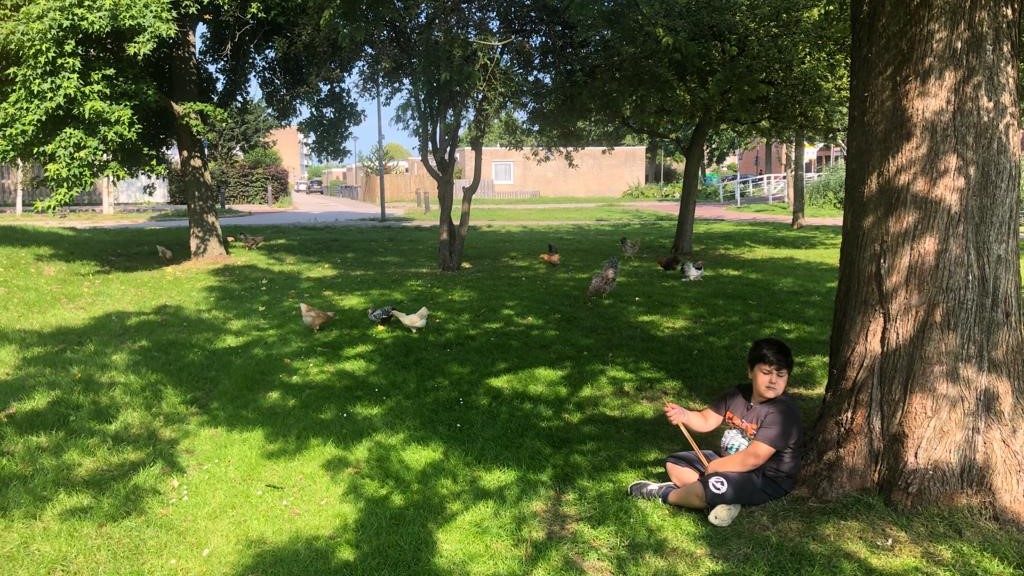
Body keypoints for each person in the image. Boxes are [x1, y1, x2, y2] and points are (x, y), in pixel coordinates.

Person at [628, 338, 802, 527]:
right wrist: (684, 414)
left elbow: (753, 458)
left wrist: (718, 466)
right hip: (730, 465)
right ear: (750, 371)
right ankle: (718, 498)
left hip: (764, 479)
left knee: (709, 488)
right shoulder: (737, 394)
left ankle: (664, 493)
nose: (773, 380)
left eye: (781, 375)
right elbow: (705, 420)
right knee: (675, 463)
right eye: (766, 372)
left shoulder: (783, 413)